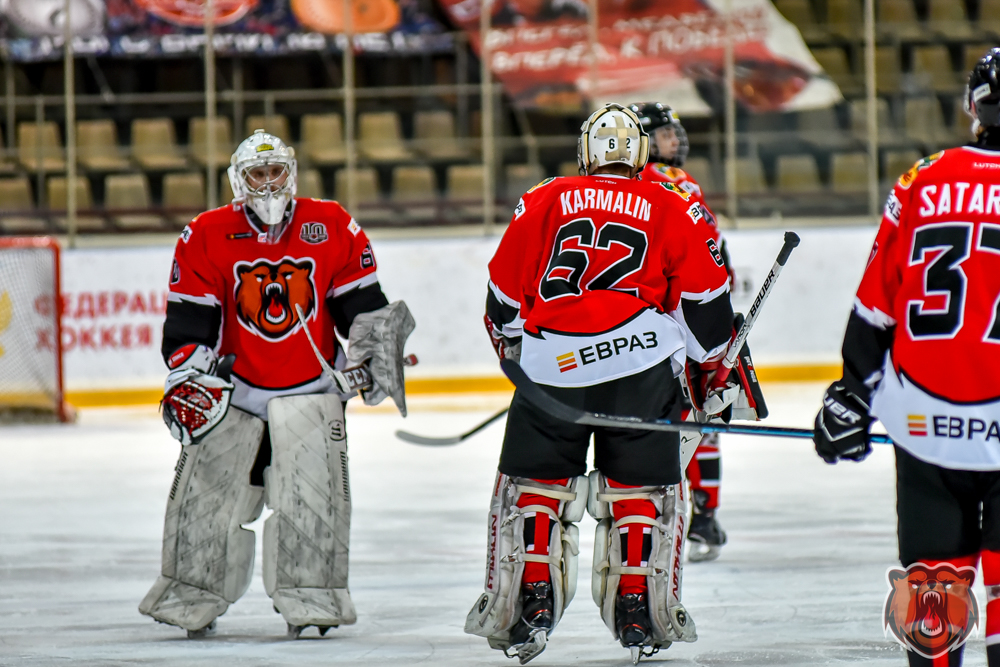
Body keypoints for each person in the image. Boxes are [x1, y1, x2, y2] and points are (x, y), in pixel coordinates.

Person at [465, 103, 745, 664]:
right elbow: (708, 316)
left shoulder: (542, 198)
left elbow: (501, 302)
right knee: (639, 494)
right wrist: (714, 368)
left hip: (552, 372)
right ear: (642, 153)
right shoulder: (673, 204)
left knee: (536, 489)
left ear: (585, 154)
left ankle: (532, 603)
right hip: (640, 370)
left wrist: (525, 356)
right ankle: (639, 605)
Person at [139, 129, 414, 638]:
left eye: (275, 172)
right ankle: (193, 596)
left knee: (312, 504)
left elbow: (362, 307)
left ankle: (312, 600)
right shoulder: (205, 232)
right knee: (208, 502)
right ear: (237, 181)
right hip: (235, 397)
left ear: (291, 173)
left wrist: (376, 357)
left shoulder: (331, 223)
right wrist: (192, 372)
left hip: (312, 393)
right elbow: (187, 323)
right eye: (256, 175)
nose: (267, 184)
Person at [813, 49, 1000, 666]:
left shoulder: (922, 179)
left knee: (935, 599)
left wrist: (850, 392)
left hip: (925, 423)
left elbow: (876, 308)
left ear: (975, 108)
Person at [630, 101, 735, 562]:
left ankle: (643, 516)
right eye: (667, 133)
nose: (676, 141)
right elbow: (707, 245)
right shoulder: (674, 181)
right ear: (647, 140)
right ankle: (704, 519)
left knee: (649, 425)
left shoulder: (616, 182)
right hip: (685, 317)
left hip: (635, 325)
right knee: (704, 413)